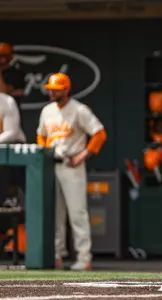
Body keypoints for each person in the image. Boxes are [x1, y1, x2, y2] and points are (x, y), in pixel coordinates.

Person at [36, 73, 107, 271]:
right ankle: (57, 255)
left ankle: (84, 257)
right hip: (52, 165)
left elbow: (99, 134)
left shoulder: (79, 110)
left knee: (77, 212)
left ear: (66, 89)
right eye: (50, 89)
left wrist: (83, 155)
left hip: (71, 165)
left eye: (56, 89)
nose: (51, 92)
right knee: (55, 214)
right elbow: (41, 135)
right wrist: (44, 152)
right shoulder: (47, 111)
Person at [0, 43, 26, 109]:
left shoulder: (16, 73)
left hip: (9, 110)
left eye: (4, 56)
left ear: (11, 57)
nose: (2, 59)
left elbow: (3, 92)